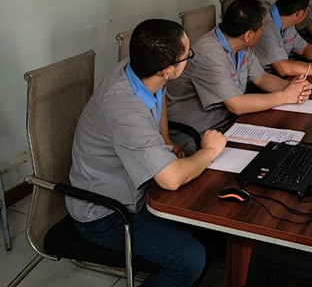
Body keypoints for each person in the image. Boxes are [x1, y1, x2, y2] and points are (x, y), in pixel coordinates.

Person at [67, 19, 227, 287]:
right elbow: (170, 179)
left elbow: (158, 94)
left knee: (214, 235)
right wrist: (210, 150)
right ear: (168, 70)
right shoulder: (125, 109)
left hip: (136, 191)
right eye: (187, 55)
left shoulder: (138, 68)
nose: (190, 57)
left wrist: (165, 139)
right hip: (106, 214)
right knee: (191, 260)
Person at [166, 0, 312, 154]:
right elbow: (236, 105)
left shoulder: (242, 45)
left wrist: (293, 87)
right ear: (248, 35)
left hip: (227, 121)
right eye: (263, 27)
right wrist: (285, 96)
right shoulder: (209, 54)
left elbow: (262, 78)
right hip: (198, 131)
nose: (264, 31)